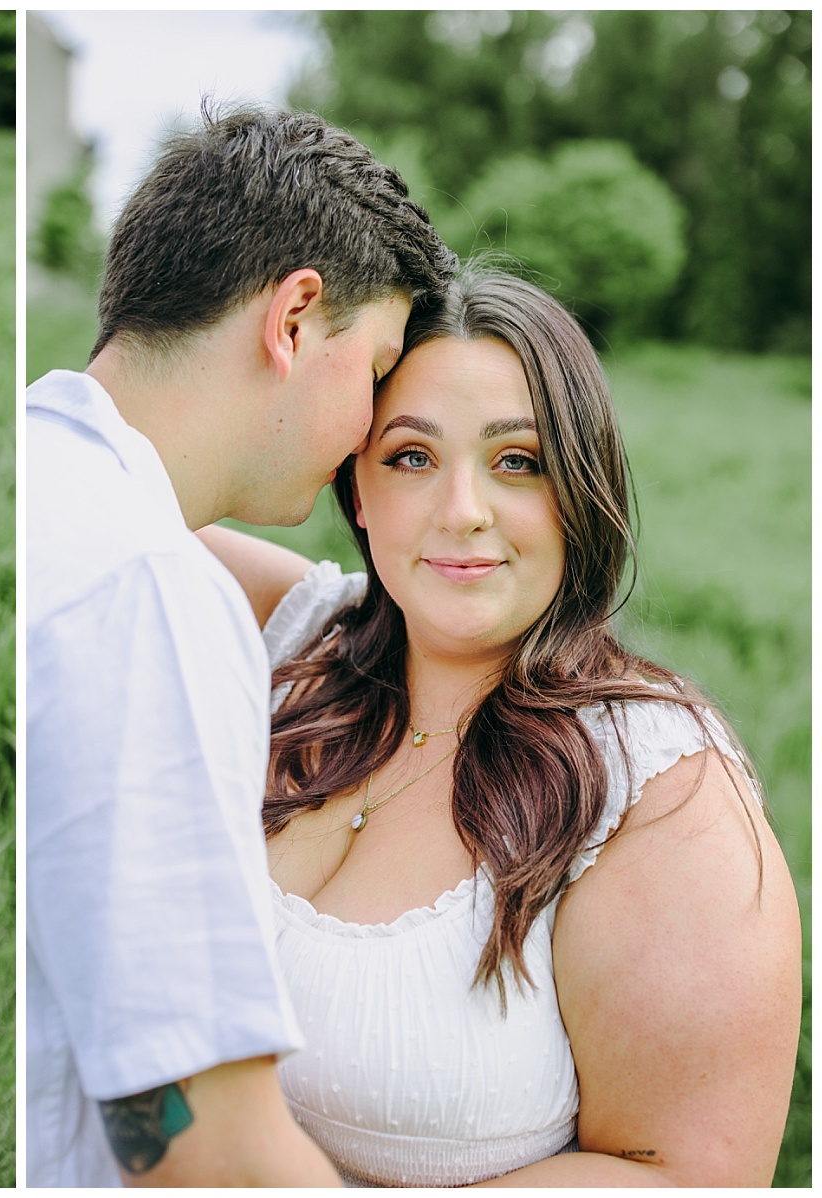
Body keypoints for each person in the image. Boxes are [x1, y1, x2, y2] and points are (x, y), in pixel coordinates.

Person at [199, 263, 801, 1185]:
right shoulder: (286, 635)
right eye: (411, 456)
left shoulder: (660, 793)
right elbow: (102, 472)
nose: (462, 512)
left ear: (580, 491)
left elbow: (686, 1178)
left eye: (517, 462)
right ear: (356, 487)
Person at [26, 103, 456, 1186]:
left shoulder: (38, 468)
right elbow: (202, 1142)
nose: (368, 428)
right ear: (295, 316)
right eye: (374, 370)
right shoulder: (150, 591)